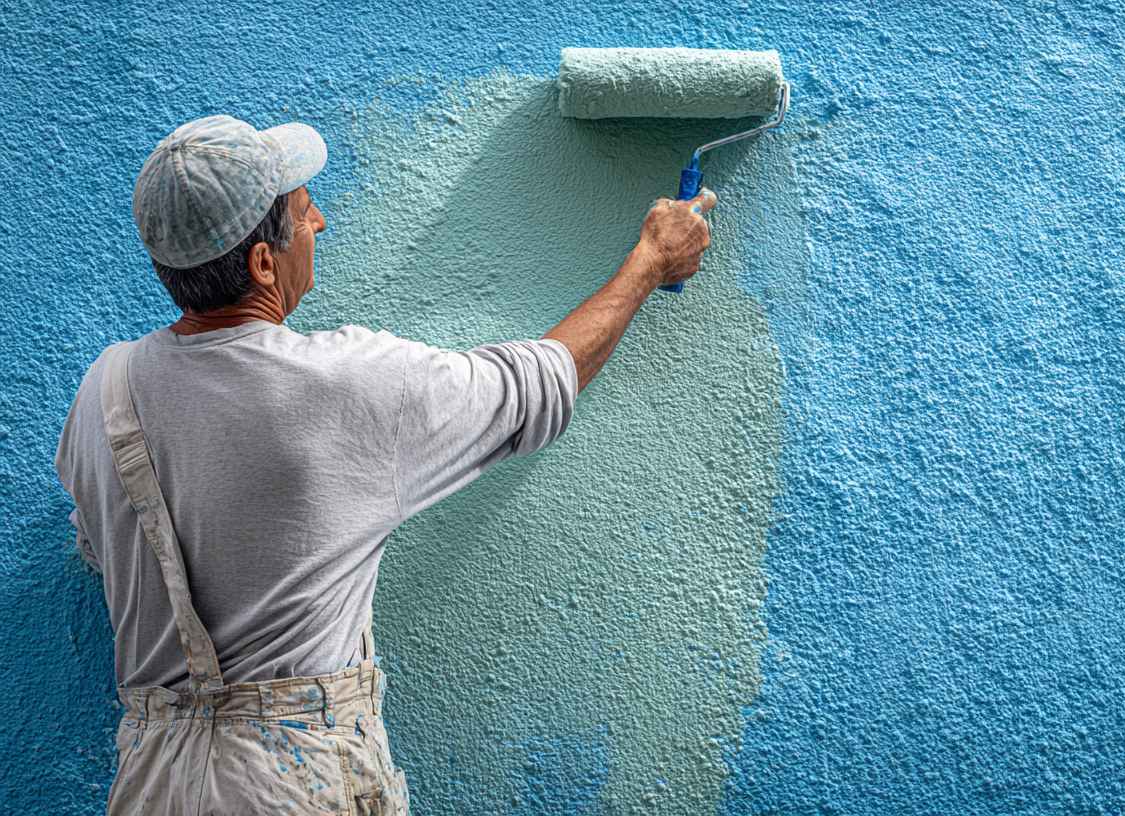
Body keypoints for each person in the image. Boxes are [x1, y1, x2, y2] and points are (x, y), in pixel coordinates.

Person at [52, 114, 716, 815]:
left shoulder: (104, 391)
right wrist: (649, 262)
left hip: (151, 778)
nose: (320, 222)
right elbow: (535, 383)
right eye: (305, 212)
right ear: (262, 265)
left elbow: (99, 548)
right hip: (293, 781)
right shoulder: (345, 384)